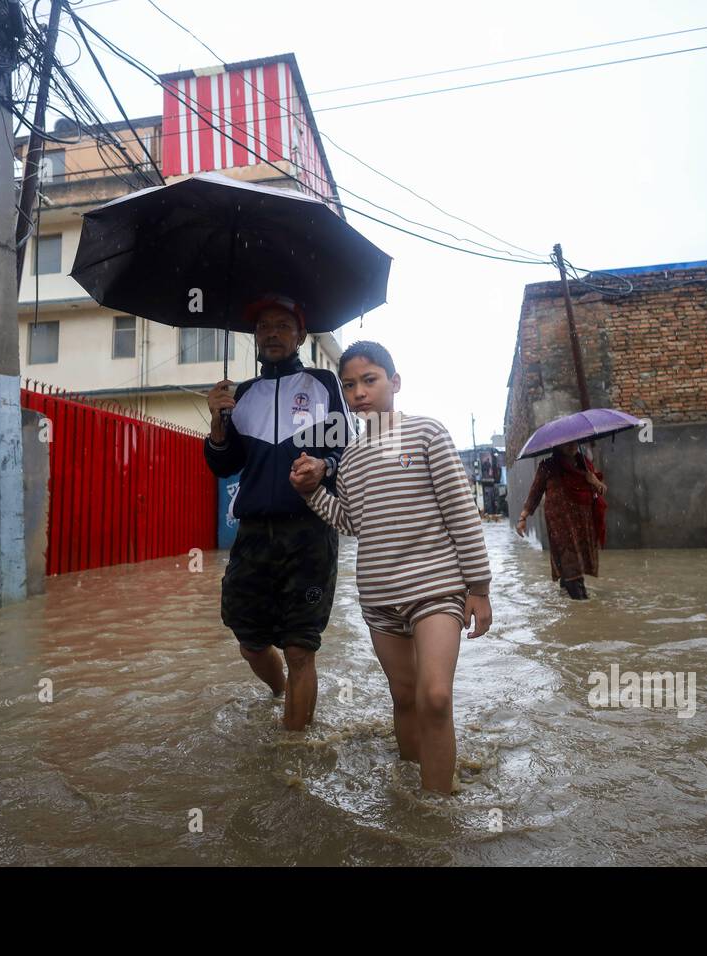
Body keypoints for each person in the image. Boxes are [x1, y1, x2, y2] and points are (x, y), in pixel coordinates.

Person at [289, 341, 492, 794]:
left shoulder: (426, 434)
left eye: (370, 380)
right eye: (350, 385)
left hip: (436, 590)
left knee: (434, 697)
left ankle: (437, 809)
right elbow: (351, 522)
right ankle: (411, 797)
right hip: (379, 600)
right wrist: (310, 494)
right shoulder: (353, 459)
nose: (360, 392)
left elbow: (461, 511)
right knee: (404, 698)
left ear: (394, 382)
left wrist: (478, 587)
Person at [203, 294, 349, 730]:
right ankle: (282, 693)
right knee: (249, 641)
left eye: (283, 325)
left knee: (300, 647)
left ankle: (294, 753)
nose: (272, 333)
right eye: (264, 326)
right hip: (253, 535)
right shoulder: (240, 395)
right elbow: (223, 465)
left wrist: (325, 465)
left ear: (301, 335)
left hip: (310, 532)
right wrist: (216, 421)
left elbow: (346, 449)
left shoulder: (324, 383)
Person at [515, 442, 607, 599]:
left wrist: (593, 481)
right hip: (561, 524)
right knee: (569, 560)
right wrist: (523, 517)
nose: (571, 446)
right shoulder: (548, 466)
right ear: (557, 446)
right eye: (566, 444)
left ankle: (566, 590)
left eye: (574, 443)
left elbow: (601, 490)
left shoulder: (584, 464)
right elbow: (535, 492)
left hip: (582, 523)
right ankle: (583, 604)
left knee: (577, 561)